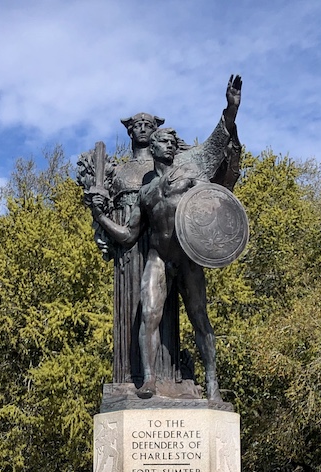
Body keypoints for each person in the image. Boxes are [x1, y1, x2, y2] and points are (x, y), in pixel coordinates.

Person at [88, 75, 242, 403]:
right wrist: (100, 215)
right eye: (164, 142)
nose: (170, 145)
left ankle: (212, 382)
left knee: (200, 317)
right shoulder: (145, 193)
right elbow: (129, 235)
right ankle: (149, 381)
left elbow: (216, 145)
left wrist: (230, 110)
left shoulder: (190, 173)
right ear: (153, 148)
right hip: (158, 255)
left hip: (187, 256)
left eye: (174, 142)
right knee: (149, 314)